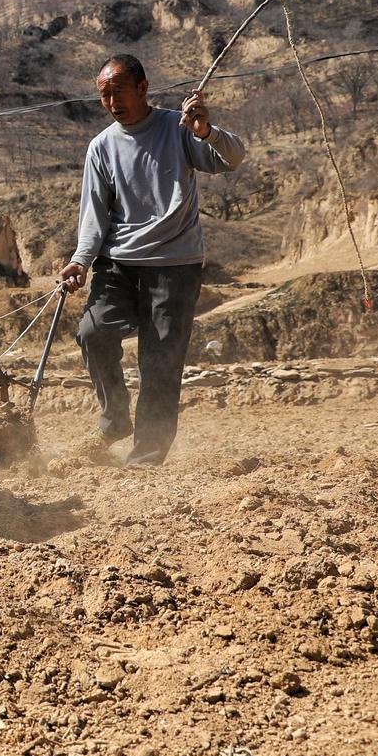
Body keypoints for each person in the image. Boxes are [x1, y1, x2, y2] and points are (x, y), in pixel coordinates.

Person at [57, 54, 246, 466]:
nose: (110, 102)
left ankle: (147, 454)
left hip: (175, 263)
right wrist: (81, 261)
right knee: (93, 332)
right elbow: (95, 214)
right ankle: (113, 419)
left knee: (160, 359)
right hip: (119, 263)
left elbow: (233, 159)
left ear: (143, 88)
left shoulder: (178, 130)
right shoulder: (101, 147)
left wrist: (206, 131)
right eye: (103, 95)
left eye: (117, 92)